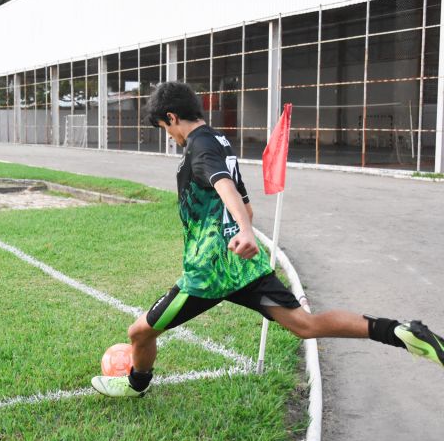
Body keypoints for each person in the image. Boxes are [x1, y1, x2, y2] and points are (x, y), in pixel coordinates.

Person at [91, 81, 444, 398]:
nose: (169, 136)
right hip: (243, 266)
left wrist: (243, 232)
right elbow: (246, 205)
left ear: (171, 116)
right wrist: (242, 229)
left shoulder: (199, 147)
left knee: (138, 332)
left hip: (208, 274)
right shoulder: (219, 140)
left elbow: (223, 185)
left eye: (165, 128)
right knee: (305, 325)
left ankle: (136, 385)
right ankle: (396, 331)